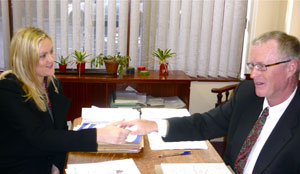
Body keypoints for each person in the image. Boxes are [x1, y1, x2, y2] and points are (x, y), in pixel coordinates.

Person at [119, 31, 300, 174]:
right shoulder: (248, 94)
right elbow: (205, 123)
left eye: (262, 66)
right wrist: (154, 125)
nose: (253, 75)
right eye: (252, 66)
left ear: (291, 67)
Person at [0, 26, 130, 174]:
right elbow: (40, 137)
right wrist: (99, 134)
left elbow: (60, 129)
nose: (51, 59)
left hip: (46, 163)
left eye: (51, 51)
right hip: (20, 167)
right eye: (43, 56)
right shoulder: (8, 89)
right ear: (26, 60)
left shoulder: (52, 84)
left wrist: (57, 164)